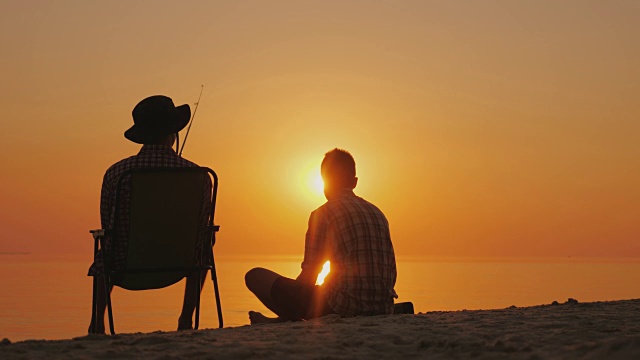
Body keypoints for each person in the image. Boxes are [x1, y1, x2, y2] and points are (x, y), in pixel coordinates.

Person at [87, 95, 212, 334]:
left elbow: (107, 222)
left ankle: (97, 323)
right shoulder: (199, 175)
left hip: (125, 265)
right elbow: (201, 225)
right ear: (173, 134)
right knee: (206, 241)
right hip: (182, 263)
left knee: (105, 247)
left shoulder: (117, 172)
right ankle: (186, 320)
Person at [245, 148, 397, 324]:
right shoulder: (378, 213)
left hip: (343, 309)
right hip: (383, 308)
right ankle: (278, 321)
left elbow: (310, 274)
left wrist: (291, 297)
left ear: (324, 181)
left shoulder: (323, 214)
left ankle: (283, 320)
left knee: (254, 277)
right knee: (323, 289)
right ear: (354, 182)